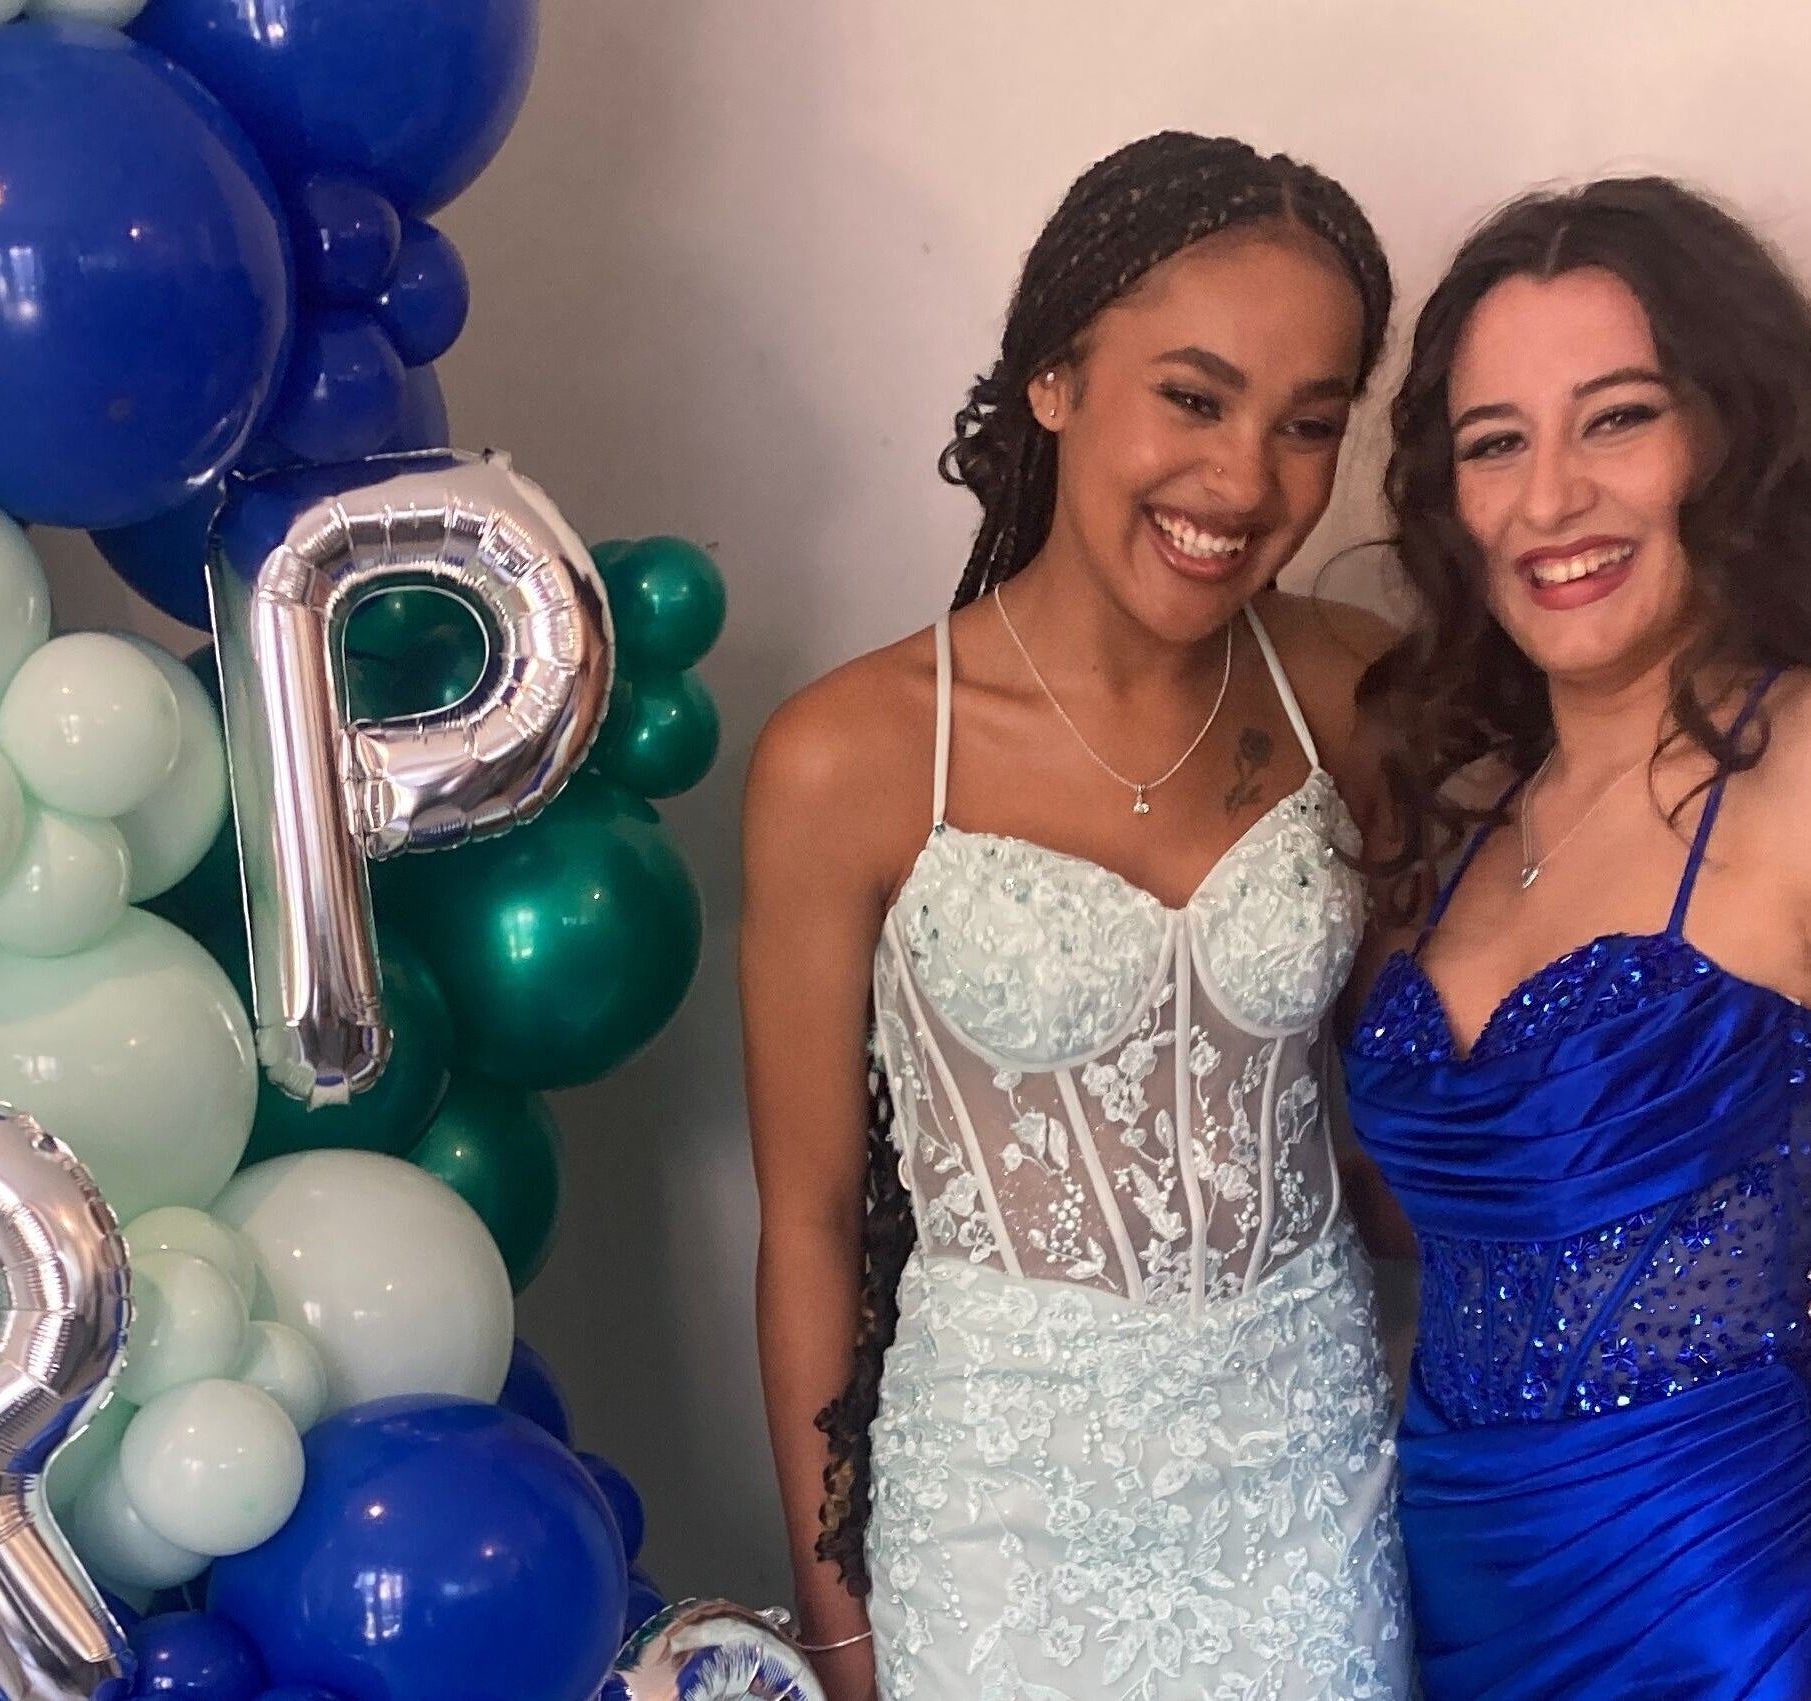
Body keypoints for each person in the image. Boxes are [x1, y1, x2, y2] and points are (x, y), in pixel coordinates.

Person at [740, 130, 1410, 1701]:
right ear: (1052, 380)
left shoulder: (1351, 689)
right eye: (1192, 397)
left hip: (1304, 1471)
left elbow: (1411, 1095)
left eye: (1307, 425)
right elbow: (808, 1223)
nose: (1243, 482)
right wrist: (836, 1623)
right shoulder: (849, 754)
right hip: (996, 1502)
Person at [1344, 176, 1811, 1698]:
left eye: (1616, 419)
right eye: (1496, 443)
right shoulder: (1467, 815)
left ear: (1727, 436)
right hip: (1456, 1595)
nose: (1550, 500)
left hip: (1725, 1611)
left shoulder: (1803, 770)